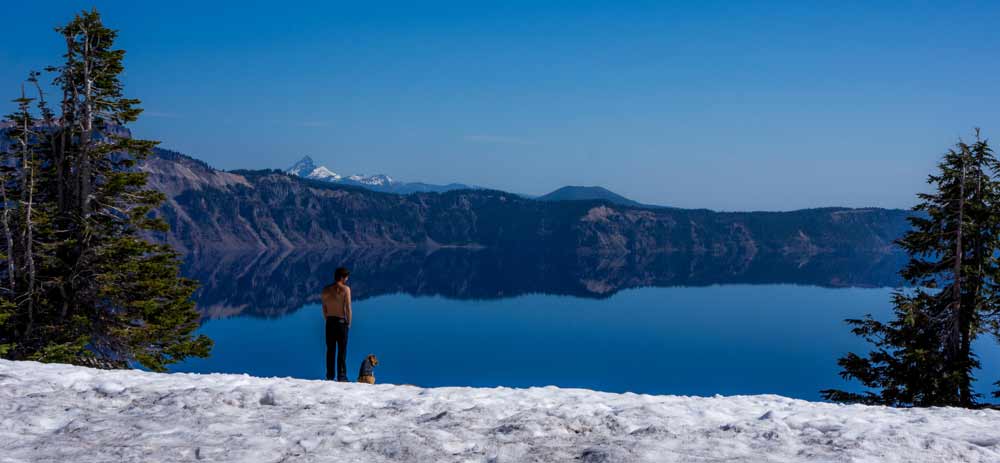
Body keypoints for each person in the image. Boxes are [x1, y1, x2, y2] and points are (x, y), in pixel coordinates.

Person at [322, 267, 352, 381]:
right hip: (341, 322)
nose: (347, 279)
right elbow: (348, 308)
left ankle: (329, 376)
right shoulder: (345, 289)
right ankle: (342, 376)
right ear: (342, 277)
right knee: (342, 350)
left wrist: (328, 320)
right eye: (347, 277)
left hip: (329, 322)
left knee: (330, 350)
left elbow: (324, 309)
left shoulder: (325, 289)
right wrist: (348, 323)